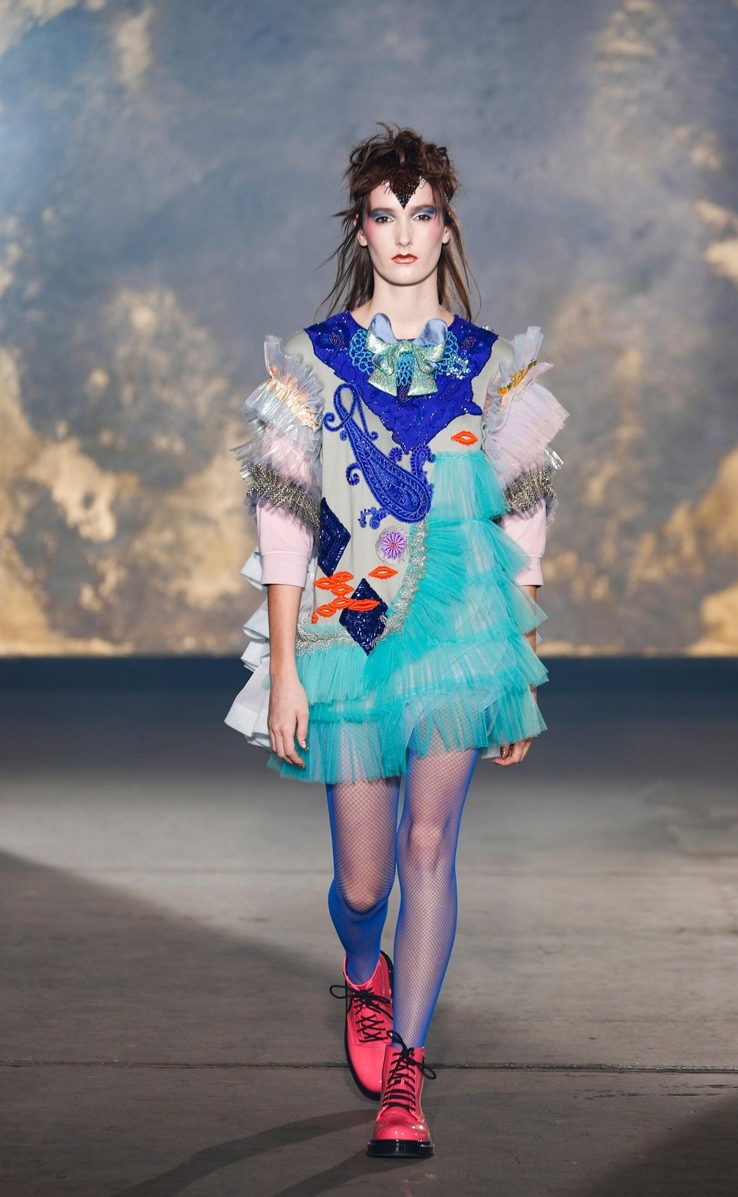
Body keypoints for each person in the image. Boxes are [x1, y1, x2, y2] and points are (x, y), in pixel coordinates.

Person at [225, 124, 567, 1159]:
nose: (405, 233)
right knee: (364, 885)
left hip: (462, 630)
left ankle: (407, 1076)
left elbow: (522, 516)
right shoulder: (313, 365)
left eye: (422, 214)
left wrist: (518, 668)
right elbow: (283, 523)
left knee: (430, 847)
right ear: (362, 230)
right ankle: (362, 972)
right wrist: (285, 671)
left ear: (445, 227)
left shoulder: (489, 366)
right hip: (348, 629)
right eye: (386, 215)